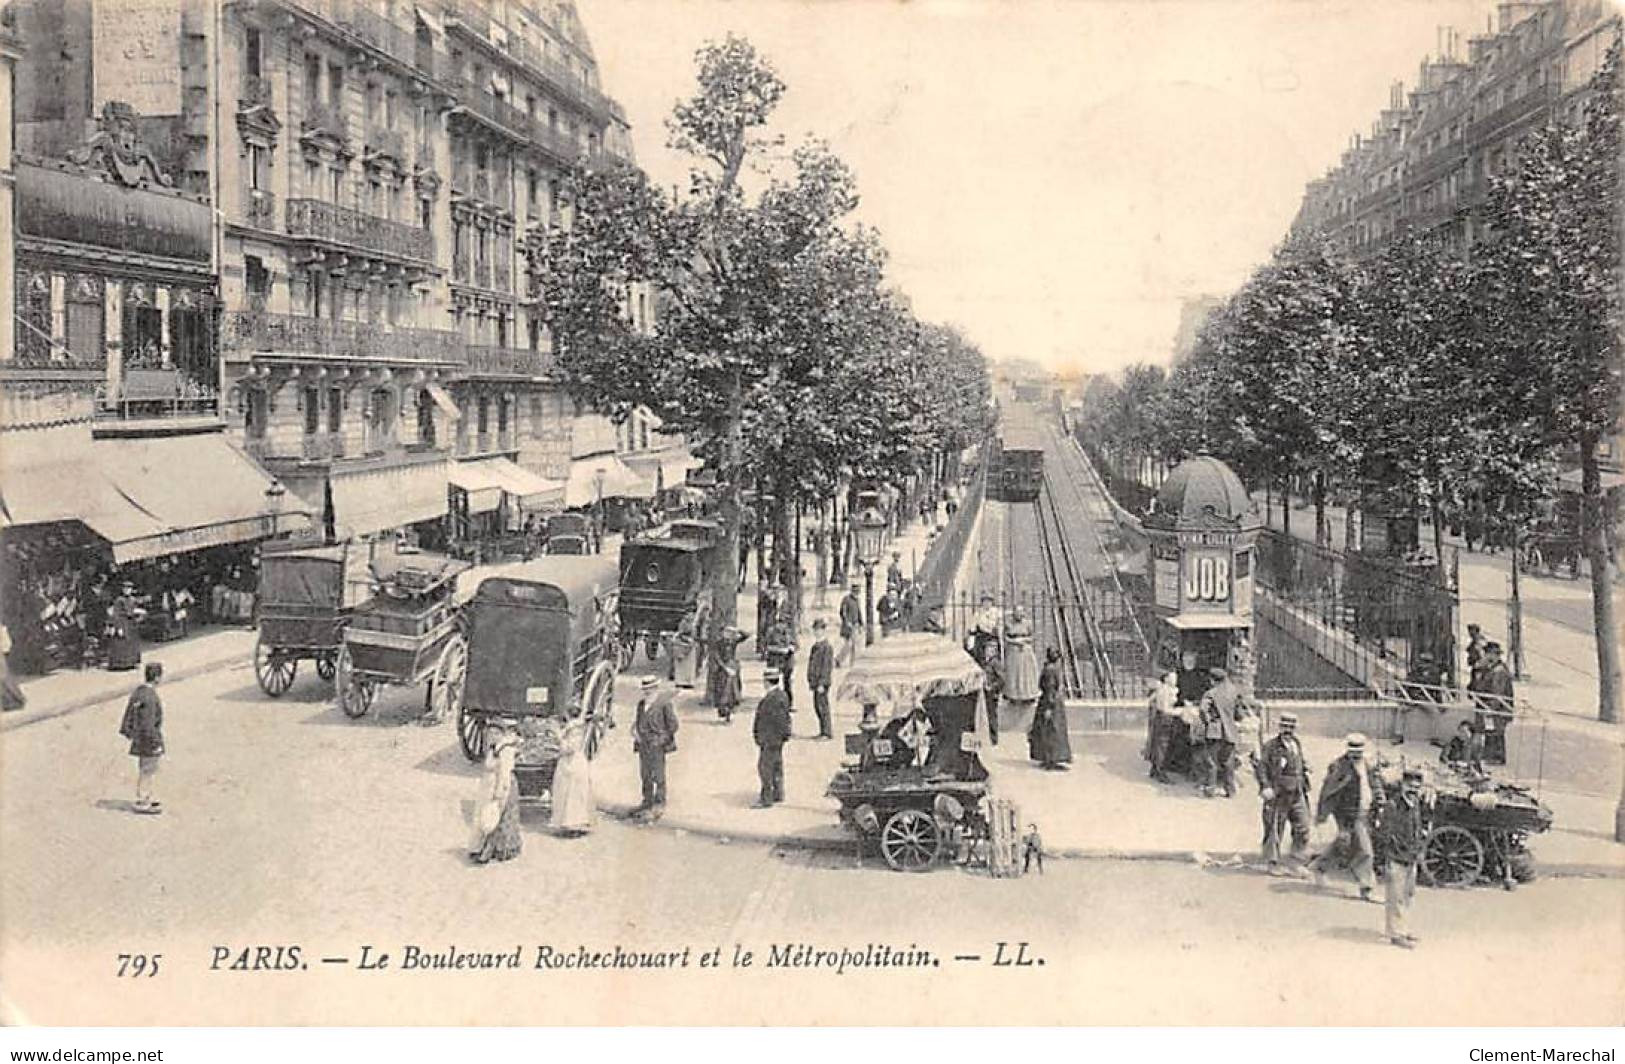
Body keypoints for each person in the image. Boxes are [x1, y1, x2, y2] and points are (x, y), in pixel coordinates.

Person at [1308, 733, 1385, 902]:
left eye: (1359, 751)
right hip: (1349, 814)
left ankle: (1319, 866)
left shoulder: (1368, 764)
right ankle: (1367, 888)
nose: (1356, 754)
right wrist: (1323, 814)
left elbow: (1375, 783)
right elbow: (1329, 790)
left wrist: (1380, 799)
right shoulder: (1339, 766)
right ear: (1348, 750)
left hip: (1366, 812)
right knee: (1365, 851)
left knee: (1343, 843)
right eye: (1353, 751)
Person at [1375, 767, 1431, 949]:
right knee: (1395, 897)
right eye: (1409, 787)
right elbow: (1384, 834)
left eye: (1416, 788)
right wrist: (1388, 856)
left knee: (1408, 895)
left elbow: (1418, 829)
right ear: (1402, 786)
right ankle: (1395, 934)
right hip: (1397, 857)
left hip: (1411, 857)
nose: (1413, 791)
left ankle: (1404, 929)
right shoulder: (1393, 806)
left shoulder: (1415, 805)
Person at [1255, 711, 1312, 874]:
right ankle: (1272, 862)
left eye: (1291, 727)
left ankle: (1297, 860)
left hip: (1298, 791)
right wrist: (1265, 787)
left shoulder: (1296, 743)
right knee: (1274, 828)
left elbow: (1298, 762)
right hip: (1278, 792)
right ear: (1280, 728)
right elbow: (1262, 768)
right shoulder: (1271, 746)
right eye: (1285, 727)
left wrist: (1305, 767)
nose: (1288, 730)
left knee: (1303, 826)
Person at [470, 722, 522, 863]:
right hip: (489, 785)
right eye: (489, 734)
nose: (491, 737)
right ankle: (483, 847)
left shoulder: (505, 750)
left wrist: (500, 791)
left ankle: (497, 849)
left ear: (501, 734)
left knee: (498, 816)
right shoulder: (494, 748)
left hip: (502, 786)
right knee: (487, 815)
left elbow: (505, 773)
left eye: (494, 733)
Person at [118, 662, 166, 815]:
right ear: (157, 677)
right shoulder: (150, 697)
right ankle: (143, 800)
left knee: (145, 768)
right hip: (148, 739)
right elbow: (148, 723)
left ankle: (146, 798)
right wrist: (156, 743)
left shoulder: (139, 692)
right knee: (148, 770)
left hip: (139, 738)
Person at [1196, 666, 1251, 798]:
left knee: (1211, 761)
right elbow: (1240, 712)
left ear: (1212, 680)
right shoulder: (1233, 692)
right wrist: (1234, 719)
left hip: (1214, 731)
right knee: (1228, 762)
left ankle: (1210, 789)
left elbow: (1203, 710)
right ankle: (1230, 790)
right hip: (1230, 731)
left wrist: (1207, 721)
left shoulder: (1211, 694)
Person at [632, 676, 679, 816]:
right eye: (645, 690)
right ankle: (647, 801)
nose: (647, 692)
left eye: (650, 689)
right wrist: (636, 733)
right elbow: (638, 721)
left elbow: (673, 725)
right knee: (645, 774)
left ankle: (659, 803)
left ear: (655, 689)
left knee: (658, 774)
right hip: (643, 744)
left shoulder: (664, 704)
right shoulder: (641, 704)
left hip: (657, 744)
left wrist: (662, 739)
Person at [549, 705, 594, 836]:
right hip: (572, 763)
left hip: (572, 764)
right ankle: (571, 824)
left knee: (570, 793)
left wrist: (559, 738)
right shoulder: (575, 728)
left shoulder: (574, 730)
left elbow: (570, 748)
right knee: (570, 794)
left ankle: (573, 825)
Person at [1468, 641, 1514, 764]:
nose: (1486, 656)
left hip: (1498, 708)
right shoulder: (1489, 669)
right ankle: (1491, 756)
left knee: (1496, 732)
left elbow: (1497, 693)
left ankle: (1496, 757)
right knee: (1491, 731)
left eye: (1489, 653)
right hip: (1491, 706)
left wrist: (1490, 708)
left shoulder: (1499, 671)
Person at [753, 667, 792, 807]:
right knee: (776, 766)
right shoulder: (782, 695)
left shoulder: (771, 699)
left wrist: (761, 737)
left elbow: (773, 720)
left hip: (769, 739)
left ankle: (766, 798)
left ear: (766, 682)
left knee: (765, 769)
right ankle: (778, 793)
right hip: (777, 739)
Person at [1028, 646, 1072, 770]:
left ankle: (1048, 758)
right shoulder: (1052, 670)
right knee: (1052, 731)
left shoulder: (1047, 668)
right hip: (1052, 704)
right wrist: (1050, 706)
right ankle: (1051, 759)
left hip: (1048, 702)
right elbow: (1050, 689)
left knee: (1047, 730)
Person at [1395, 650, 1446, 744]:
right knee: (1401, 710)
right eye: (1423, 662)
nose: (1424, 665)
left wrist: (1440, 704)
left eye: (1427, 662)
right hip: (1413, 698)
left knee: (1436, 713)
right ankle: (1399, 736)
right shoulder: (1414, 673)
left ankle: (1435, 738)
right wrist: (1404, 699)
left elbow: (1437, 691)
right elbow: (1406, 686)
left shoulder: (1435, 675)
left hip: (1426, 699)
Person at [707, 624, 749, 722]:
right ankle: (724, 711)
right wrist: (725, 668)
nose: (728, 634)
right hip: (722, 670)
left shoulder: (733, 642)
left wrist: (738, 630)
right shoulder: (718, 643)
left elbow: (746, 635)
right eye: (726, 632)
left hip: (732, 666)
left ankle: (730, 711)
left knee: (733, 691)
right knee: (723, 691)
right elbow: (717, 657)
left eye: (729, 633)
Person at [1145, 671, 1179, 783]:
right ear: (1166, 679)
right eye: (1173, 678)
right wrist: (1180, 711)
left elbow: (1151, 700)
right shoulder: (1165, 691)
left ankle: (1154, 769)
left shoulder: (1163, 689)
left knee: (1158, 743)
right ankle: (1161, 771)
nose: (1175, 680)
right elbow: (1166, 709)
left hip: (1160, 718)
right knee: (1163, 745)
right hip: (1165, 718)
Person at [764, 607, 799, 711]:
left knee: (787, 683)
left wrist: (792, 648)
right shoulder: (771, 632)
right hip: (775, 660)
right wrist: (779, 650)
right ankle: (773, 703)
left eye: (784, 623)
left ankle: (788, 704)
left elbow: (796, 645)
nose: (782, 625)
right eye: (780, 623)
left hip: (787, 660)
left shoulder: (790, 632)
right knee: (773, 682)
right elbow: (766, 647)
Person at [1003, 607, 1040, 703]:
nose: (1018, 614)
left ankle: (1028, 695)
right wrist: (1014, 641)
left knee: (1026, 673)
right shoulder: (1008, 624)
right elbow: (1004, 637)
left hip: (1025, 650)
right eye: (1016, 612)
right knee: (1014, 674)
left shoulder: (1028, 623)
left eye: (1020, 612)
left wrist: (1024, 640)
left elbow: (1033, 636)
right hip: (1013, 650)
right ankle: (1013, 695)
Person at [806, 619, 835, 740]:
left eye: (819, 630)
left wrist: (822, 683)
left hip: (821, 682)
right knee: (817, 706)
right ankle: (822, 730)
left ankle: (827, 732)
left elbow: (826, 667)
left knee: (823, 707)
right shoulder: (816, 646)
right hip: (815, 682)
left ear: (823, 630)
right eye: (815, 630)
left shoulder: (826, 647)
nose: (817, 632)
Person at [106, 586, 142, 672]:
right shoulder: (119, 600)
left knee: (132, 643)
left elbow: (133, 610)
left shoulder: (132, 599)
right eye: (125, 589)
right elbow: (116, 614)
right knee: (121, 642)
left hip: (131, 624)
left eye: (129, 589)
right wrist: (118, 627)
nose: (127, 590)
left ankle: (132, 662)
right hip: (122, 622)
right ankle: (120, 664)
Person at [966, 594, 1002, 665]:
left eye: (989, 601)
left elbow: (997, 624)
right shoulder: (978, 612)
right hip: (981, 637)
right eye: (985, 601)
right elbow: (973, 625)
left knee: (992, 657)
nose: (987, 604)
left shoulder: (996, 612)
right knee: (980, 656)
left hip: (992, 637)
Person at [979, 642, 1004, 746]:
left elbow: (1002, 680)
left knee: (991, 714)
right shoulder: (985, 662)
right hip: (984, 692)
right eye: (986, 649)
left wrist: (992, 687)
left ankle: (994, 738)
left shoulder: (995, 663)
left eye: (989, 649)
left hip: (991, 693)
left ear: (994, 651)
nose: (986, 651)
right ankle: (987, 737)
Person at [669, 611, 700, 689]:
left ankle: (689, 681)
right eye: (690, 614)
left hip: (690, 645)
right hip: (682, 645)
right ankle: (681, 681)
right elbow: (680, 634)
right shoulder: (683, 623)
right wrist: (687, 639)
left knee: (689, 665)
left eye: (693, 614)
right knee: (682, 664)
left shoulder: (693, 623)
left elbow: (694, 634)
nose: (691, 616)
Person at [838, 584, 863, 666]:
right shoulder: (846, 599)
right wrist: (847, 622)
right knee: (848, 644)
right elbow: (843, 612)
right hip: (847, 626)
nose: (856, 593)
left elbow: (859, 613)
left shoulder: (857, 601)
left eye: (857, 592)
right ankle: (838, 659)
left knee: (854, 645)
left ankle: (852, 662)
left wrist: (861, 624)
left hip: (855, 625)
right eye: (855, 591)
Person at [1464, 624, 1487, 688]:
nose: (1469, 633)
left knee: (1477, 684)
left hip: (1480, 667)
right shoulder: (1474, 641)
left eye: (1471, 631)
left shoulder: (1480, 641)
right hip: (1475, 666)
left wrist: (1479, 663)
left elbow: (1482, 654)